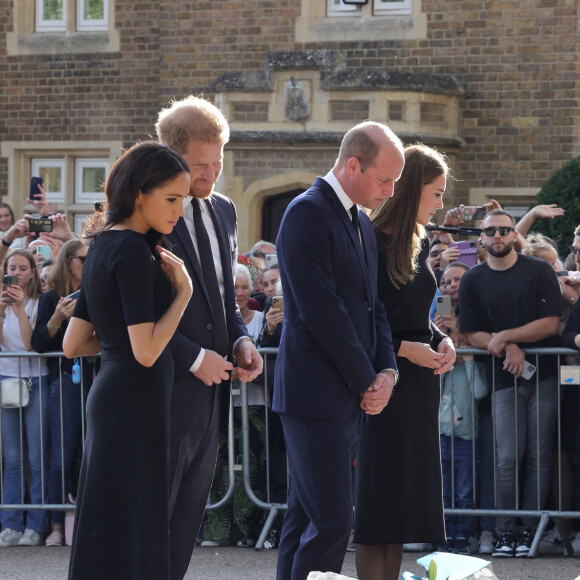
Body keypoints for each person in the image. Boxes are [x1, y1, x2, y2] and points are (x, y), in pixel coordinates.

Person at [273, 120, 404, 580]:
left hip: (344, 394)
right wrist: (367, 378)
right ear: (353, 164)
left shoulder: (360, 223)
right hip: (315, 395)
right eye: (384, 179)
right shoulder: (307, 212)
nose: (389, 191)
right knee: (332, 521)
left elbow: (375, 310)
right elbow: (320, 312)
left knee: (307, 519)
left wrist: (388, 372)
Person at [63, 141, 193, 579]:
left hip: (114, 396)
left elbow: (74, 343)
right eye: (171, 198)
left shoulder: (100, 245)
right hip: (135, 400)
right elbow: (148, 349)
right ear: (140, 193)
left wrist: (119, 344)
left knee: (109, 521)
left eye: (183, 200)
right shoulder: (135, 251)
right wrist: (184, 293)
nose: (179, 211)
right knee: (136, 523)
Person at [155, 95, 263, 580]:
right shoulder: (147, 213)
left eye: (219, 161)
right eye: (201, 165)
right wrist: (194, 357)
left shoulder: (223, 209)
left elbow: (222, 296)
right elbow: (133, 314)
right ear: (172, 155)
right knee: (153, 517)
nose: (212, 174)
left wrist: (241, 339)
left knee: (186, 522)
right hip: (162, 387)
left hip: (213, 390)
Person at [354, 144, 456, 580]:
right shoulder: (369, 242)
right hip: (384, 385)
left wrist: (440, 339)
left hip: (416, 390)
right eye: (436, 193)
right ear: (412, 189)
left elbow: (414, 316)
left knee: (398, 512)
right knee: (378, 513)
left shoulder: (416, 242)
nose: (440, 204)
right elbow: (361, 321)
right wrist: (405, 349)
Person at [459, 209, 562, 558]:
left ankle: (530, 530)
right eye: (491, 231)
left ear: (512, 235)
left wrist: (504, 336)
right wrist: (511, 346)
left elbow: (551, 324)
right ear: (482, 239)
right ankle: (505, 531)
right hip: (502, 378)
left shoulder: (539, 270)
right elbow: (470, 333)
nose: (499, 235)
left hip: (544, 374)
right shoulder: (472, 279)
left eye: (505, 229)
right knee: (506, 458)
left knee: (538, 456)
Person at [31, 239, 92, 547]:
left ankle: (89, 523)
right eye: (83, 258)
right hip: (66, 382)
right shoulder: (51, 298)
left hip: (97, 378)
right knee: (61, 456)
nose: (88, 262)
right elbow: (39, 343)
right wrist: (57, 318)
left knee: (95, 452)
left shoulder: (97, 292)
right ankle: (56, 525)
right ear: (69, 260)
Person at [0, 249, 49, 548]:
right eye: (11, 268)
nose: (16, 273)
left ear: (32, 272)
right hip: (7, 380)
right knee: (13, 458)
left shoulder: (41, 302)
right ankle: (11, 524)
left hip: (37, 380)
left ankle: (36, 525)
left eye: (22, 268)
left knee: (37, 457)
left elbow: (31, 343)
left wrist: (19, 310)